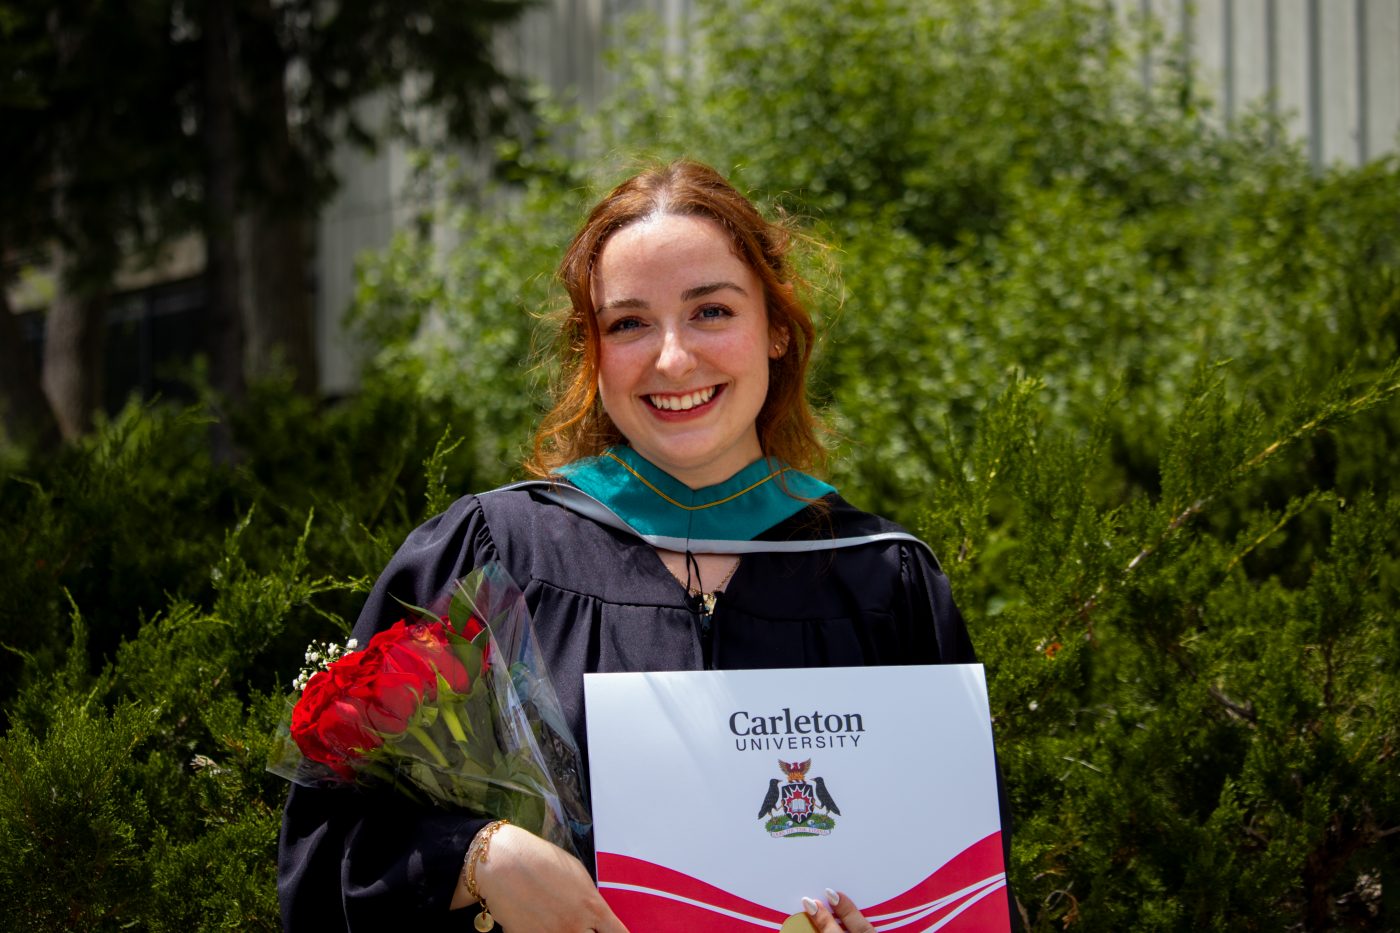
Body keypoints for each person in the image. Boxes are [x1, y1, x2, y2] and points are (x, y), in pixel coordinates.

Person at [278, 159, 1005, 932]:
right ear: (593, 355)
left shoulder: (883, 579)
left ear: (779, 329)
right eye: (628, 323)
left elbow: (970, 878)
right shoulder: (494, 558)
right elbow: (325, 853)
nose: (672, 358)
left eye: (712, 311)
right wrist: (478, 858)